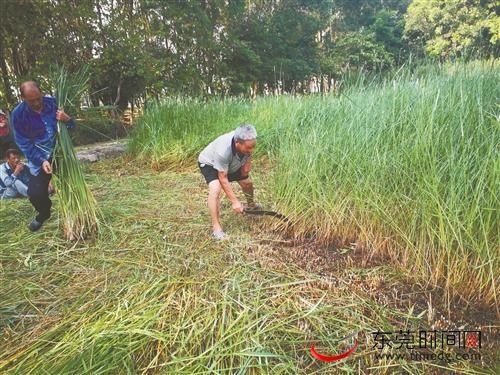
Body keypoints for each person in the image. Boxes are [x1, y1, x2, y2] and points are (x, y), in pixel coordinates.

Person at [11, 81, 75, 231]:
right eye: (31, 100)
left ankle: (74, 212)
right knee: (35, 193)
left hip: (60, 152)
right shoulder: (18, 115)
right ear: (23, 98)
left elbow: (72, 128)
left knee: (72, 185)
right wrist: (41, 160)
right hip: (38, 157)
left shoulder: (54, 103)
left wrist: (68, 120)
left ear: (41, 93)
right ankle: (45, 213)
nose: (36, 103)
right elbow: (24, 144)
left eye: (38, 98)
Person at [198, 124, 261, 239]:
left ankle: (251, 206)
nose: (251, 150)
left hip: (230, 162)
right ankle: (216, 228)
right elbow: (223, 178)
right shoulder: (223, 151)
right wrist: (235, 202)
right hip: (210, 163)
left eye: (253, 147)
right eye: (248, 148)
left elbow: (247, 153)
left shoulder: (245, 140)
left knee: (247, 182)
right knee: (215, 188)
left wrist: (247, 162)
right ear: (238, 143)